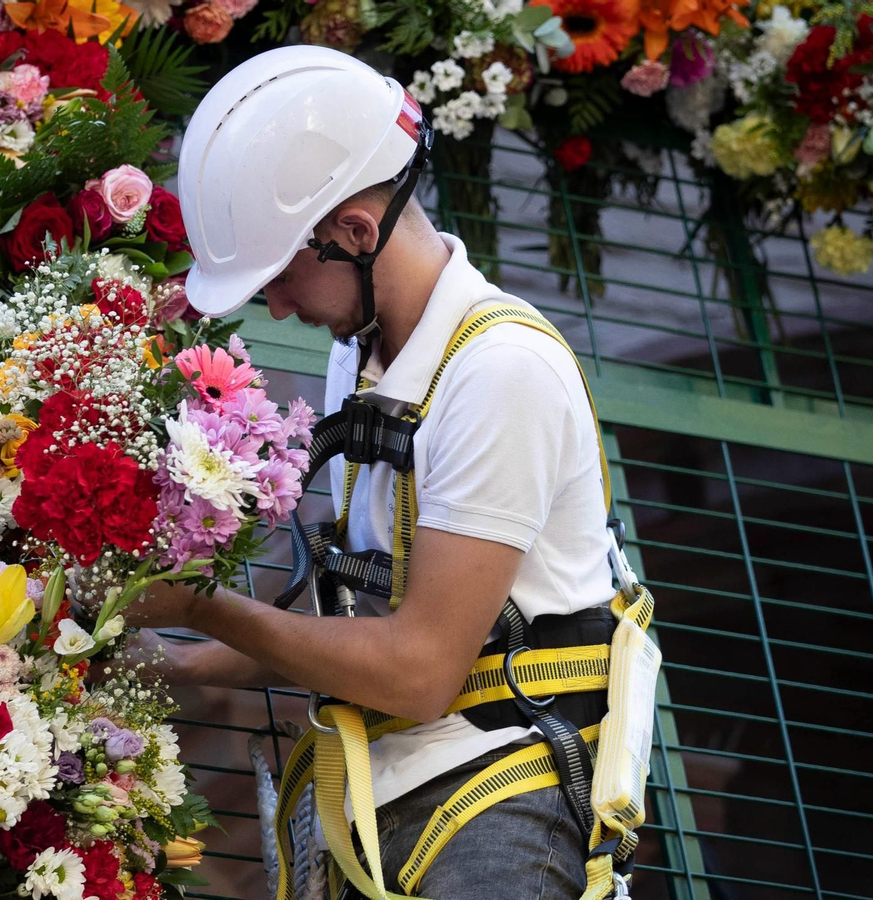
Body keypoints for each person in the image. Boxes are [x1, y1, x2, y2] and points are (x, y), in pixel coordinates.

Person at [121, 45, 636, 899]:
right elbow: (351, 638)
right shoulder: (368, 356)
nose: (278, 305)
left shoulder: (500, 373)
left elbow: (417, 669)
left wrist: (200, 605)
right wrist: (170, 655)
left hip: (500, 816)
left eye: (282, 274)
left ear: (356, 232)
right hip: (389, 797)